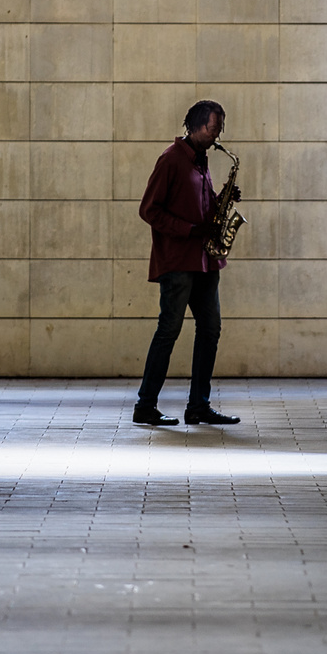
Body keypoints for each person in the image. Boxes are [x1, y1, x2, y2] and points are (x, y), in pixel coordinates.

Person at [132, 100, 242, 427]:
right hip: (178, 261)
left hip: (205, 261)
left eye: (219, 128)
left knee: (210, 329)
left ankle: (198, 406)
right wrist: (191, 230)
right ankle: (145, 406)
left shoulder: (201, 161)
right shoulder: (170, 160)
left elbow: (198, 206)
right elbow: (149, 211)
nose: (217, 134)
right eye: (213, 128)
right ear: (195, 126)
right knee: (169, 330)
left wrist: (222, 198)